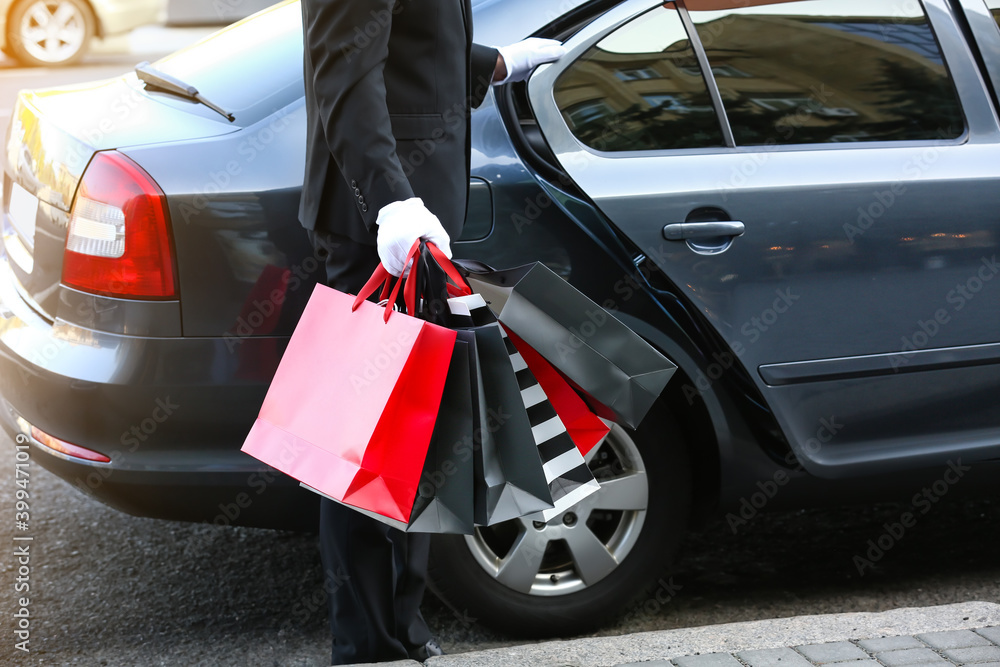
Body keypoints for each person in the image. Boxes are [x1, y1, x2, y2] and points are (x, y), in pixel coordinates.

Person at [297, 0, 565, 663]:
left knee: (404, 435)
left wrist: (489, 64)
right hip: (381, 225)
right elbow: (344, 69)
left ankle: (395, 635)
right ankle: (373, 645)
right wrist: (391, 199)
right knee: (372, 443)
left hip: (408, 210)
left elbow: (403, 35)